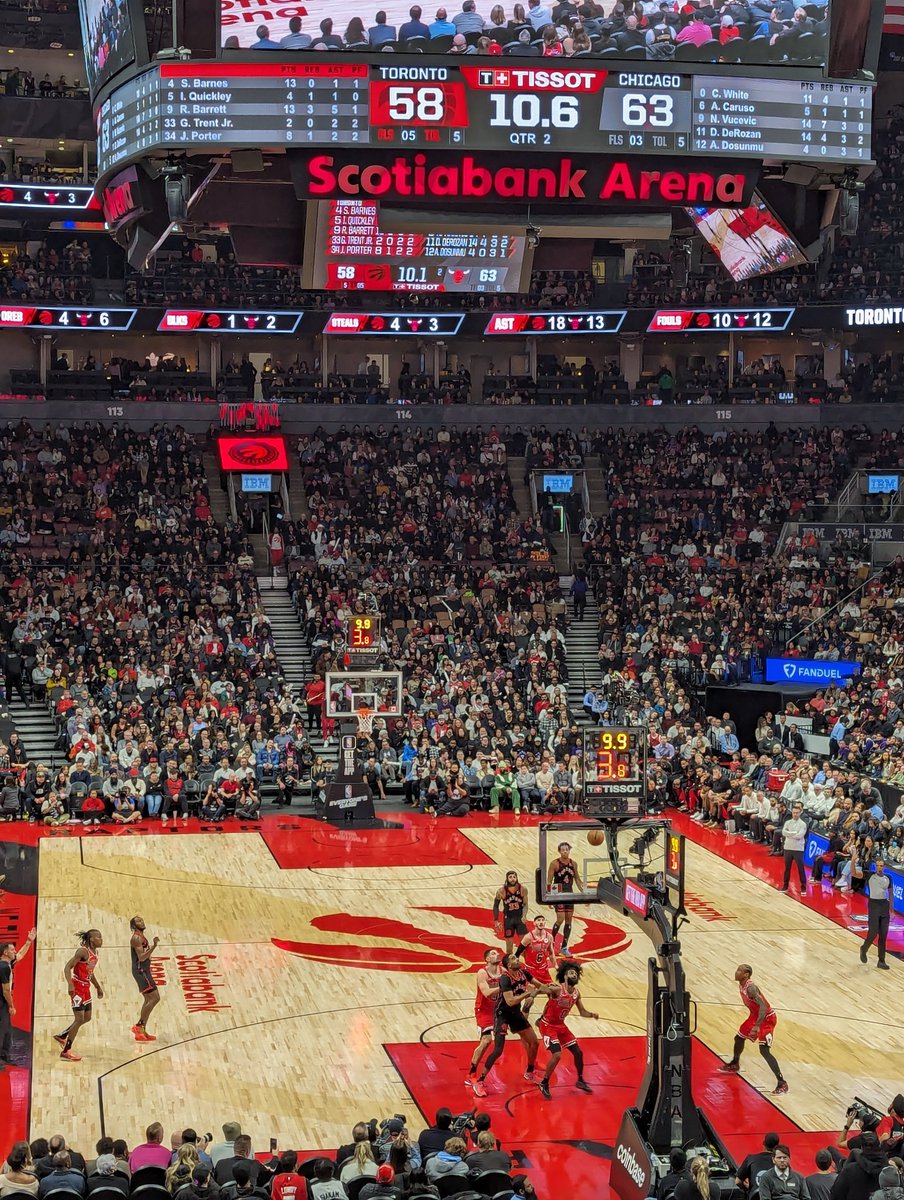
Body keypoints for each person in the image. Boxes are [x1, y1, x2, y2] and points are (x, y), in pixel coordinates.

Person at [472, 953, 553, 1097]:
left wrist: (554, 990)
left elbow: (540, 986)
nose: (517, 960)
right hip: (502, 1014)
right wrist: (528, 994)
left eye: (517, 958)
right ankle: (480, 1080)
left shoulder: (524, 973)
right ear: (509, 965)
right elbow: (510, 1001)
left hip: (515, 1014)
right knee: (498, 1049)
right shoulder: (505, 978)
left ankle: (529, 1072)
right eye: (514, 959)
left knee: (534, 1042)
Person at [719, 964, 787, 1094]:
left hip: (766, 1019)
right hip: (755, 1016)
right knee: (739, 1038)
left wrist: (756, 1026)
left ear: (746, 974)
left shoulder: (751, 988)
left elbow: (763, 1007)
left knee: (764, 1051)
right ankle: (735, 1063)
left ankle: (782, 1083)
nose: (736, 972)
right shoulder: (741, 985)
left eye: (739, 970)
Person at [536, 961, 598, 1099]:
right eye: (571, 972)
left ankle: (580, 1080)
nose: (574, 975)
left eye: (576, 973)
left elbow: (582, 1012)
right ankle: (544, 1083)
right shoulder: (557, 989)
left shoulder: (576, 993)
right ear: (564, 976)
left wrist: (591, 1014)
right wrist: (537, 991)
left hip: (561, 1026)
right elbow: (544, 989)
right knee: (557, 1054)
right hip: (548, 1025)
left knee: (578, 1052)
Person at [54, 928, 104, 1061]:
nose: (101, 939)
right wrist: (70, 984)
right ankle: (66, 1051)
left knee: (87, 1017)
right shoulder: (82, 951)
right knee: (79, 1019)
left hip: (86, 987)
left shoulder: (95, 952)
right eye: (99, 937)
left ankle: (63, 1035)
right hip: (77, 987)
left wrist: (98, 987)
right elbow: (67, 967)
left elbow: (89, 972)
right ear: (92, 939)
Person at [0, 927, 36, 1068]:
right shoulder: (3, 967)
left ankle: (5, 1056)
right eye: (12, 949)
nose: (15, 951)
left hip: (3, 1001)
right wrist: (11, 1006)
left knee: (7, 1030)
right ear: (5, 952)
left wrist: (28, 941)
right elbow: (6, 990)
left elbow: (20, 956)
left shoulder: (7, 964)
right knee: (2, 1029)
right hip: (2, 1002)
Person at [467, 947, 501, 1088]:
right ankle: (471, 1074)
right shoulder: (482, 973)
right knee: (486, 1041)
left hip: (498, 1010)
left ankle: (531, 1066)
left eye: (497, 953)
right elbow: (486, 992)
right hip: (484, 1010)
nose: (497, 954)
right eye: (493, 953)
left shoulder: (503, 971)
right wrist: (503, 985)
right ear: (487, 959)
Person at [547, 841, 583, 955]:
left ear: (569, 850)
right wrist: (549, 897)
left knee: (568, 921)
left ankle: (564, 947)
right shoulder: (554, 864)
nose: (565, 851)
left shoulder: (574, 863)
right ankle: (550, 944)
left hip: (569, 893)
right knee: (560, 919)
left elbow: (577, 879)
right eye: (563, 850)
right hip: (558, 893)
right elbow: (549, 881)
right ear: (559, 851)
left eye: (567, 849)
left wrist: (585, 893)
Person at [129, 916, 161, 1042]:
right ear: (134, 925)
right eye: (138, 921)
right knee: (155, 997)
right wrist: (154, 946)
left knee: (149, 999)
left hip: (144, 970)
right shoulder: (136, 938)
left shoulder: (141, 936)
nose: (142, 922)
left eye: (142, 920)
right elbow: (142, 957)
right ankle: (139, 1026)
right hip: (141, 971)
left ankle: (141, 1029)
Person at [517, 914, 555, 1014]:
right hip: (531, 970)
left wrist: (555, 966)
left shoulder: (549, 937)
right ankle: (523, 1022)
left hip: (544, 970)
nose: (541, 922)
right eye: (538, 920)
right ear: (534, 923)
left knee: (553, 995)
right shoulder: (528, 937)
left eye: (543, 920)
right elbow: (518, 952)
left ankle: (544, 1017)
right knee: (529, 998)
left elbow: (551, 953)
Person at [861, 860, 891, 969]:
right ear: (875, 867)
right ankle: (864, 949)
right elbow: (855, 874)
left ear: (884, 867)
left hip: (884, 906)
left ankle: (881, 961)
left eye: (881, 866)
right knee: (873, 932)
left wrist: (891, 910)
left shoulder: (888, 878)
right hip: (873, 905)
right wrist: (853, 860)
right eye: (878, 865)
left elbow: (891, 894)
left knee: (883, 935)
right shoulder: (870, 875)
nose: (879, 867)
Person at [493, 870, 529, 954]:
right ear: (507, 879)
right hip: (508, 919)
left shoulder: (523, 889)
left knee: (524, 946)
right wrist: (496, 921)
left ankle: (527, 965)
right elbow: (495, 906)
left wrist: (524, 915)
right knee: (509, 948)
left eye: (514, 877)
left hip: (519, 918)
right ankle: (509, 965)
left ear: (517, 878)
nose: (512, 879)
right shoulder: (501, 891)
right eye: (510, 877)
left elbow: (525, 904)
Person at [780, 802, 808, 892]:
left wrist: (789, 834)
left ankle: (803, 887)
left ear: (800, 813)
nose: (795, 814)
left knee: (800, 868)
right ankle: (785, 886)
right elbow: (784, 832)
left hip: (798, 849)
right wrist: (793, 833)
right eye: (794, 812)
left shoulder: (803, 824)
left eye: (797, 812)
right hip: (788, 847)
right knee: (787, 868)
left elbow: (799, 836)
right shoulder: (788, 822)